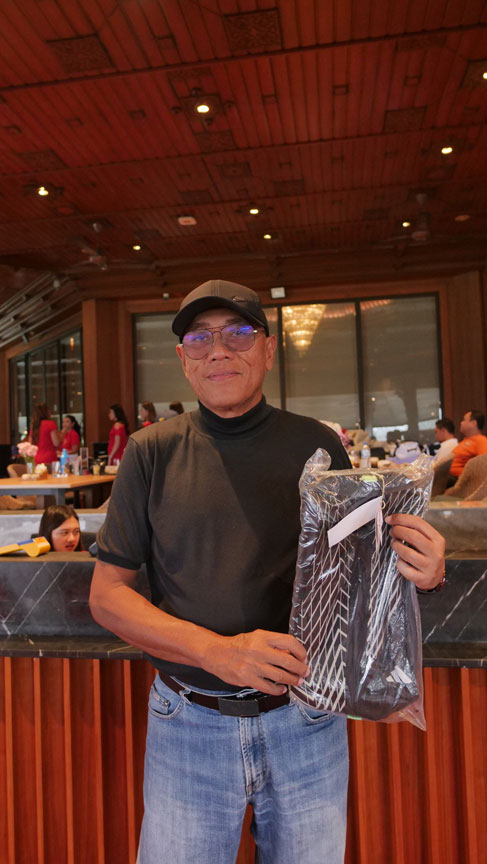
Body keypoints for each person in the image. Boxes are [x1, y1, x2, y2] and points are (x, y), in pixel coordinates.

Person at [90, 280, 445, 864]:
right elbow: (107, 597)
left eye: (238, 333)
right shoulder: (150, 451)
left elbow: (360, 578)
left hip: (306, 718)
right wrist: (217, 652)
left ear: (269, 348)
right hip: (188, 722)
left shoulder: (317, 444)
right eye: (199, 339)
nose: (218, 350)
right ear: (182, 358)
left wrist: (423, 572)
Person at [449, 409, 487, 478]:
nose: (461, 423)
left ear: (474, 423)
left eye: (464, 420)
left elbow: (484, 465)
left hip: (459, 479)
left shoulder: (481, 440)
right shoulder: (466, 440)